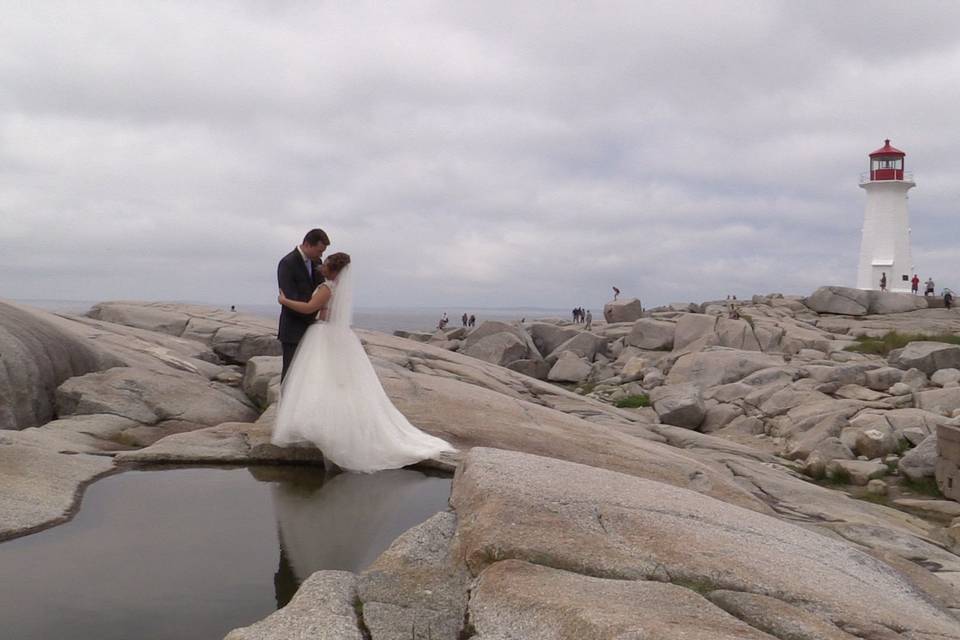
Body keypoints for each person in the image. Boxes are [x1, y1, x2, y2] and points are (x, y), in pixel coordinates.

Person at [273, 252, 455, 473]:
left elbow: (309, 308)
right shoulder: (337, 289)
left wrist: (284, 301)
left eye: (326, 264)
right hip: (338, 336)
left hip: (323, 335)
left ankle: (321, 428)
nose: (321, 267)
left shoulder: (326, 288)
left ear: (332, 270)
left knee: (320, 379)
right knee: (338, 382)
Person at [277, 228, 329, 381]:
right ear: (307, 244)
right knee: (290, 373)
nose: (321, 255)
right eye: (319, 251)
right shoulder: (287, 263)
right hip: (293, 328)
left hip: (313, 328)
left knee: (307, 375)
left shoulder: (317, 263)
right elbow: (289, 296)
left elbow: (321, 290)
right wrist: (311, 310)